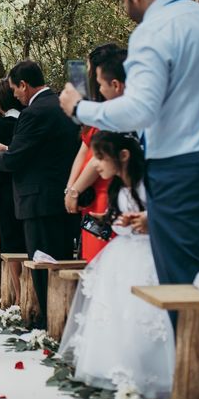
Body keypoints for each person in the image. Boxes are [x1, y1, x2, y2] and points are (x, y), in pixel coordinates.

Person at [60, 0, 199, 294]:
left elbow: (139, 111)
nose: (125, 8)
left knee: (184, 284)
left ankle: (189, 349)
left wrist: (79, 109)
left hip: (181, 171)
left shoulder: (154, 31)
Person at [59, 131, 174, 399]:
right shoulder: (118, 186)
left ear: (123, 156)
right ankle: (115, 367)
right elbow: (121, 216)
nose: (96, 164)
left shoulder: (148, 182)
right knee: (114, 311)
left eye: (100, 158)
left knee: (141, 315)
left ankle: (150, 371)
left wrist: (148, 219)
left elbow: (166, 210)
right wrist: (112, 218)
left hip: (147, 257)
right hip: (120, 256)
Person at [0, 60, 80, 327]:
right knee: (60, 264)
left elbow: (17, 161)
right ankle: (59, 324)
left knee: (46, 270)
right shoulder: (62, 104)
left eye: (14, 89)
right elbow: (40, 153)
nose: (14, 95)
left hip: (39, 202)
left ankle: (50, 326)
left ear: (24, 85)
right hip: (61, 198)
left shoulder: (33, 112)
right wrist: (7, 150)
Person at [65, 46, 126, 261]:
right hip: (87, 195)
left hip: (104, 192)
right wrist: (70, 188)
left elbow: (99, 158)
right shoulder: (95, 111)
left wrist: (75, 190)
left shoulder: (116, 112)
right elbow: (84, 150)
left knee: (102, 257)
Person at [0, 80, 26, 300]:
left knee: (11, 241)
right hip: (27, 187)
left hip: (7, 189)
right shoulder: (28, 119)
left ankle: (19, 296)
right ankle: (30, 294)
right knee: (27, 240)